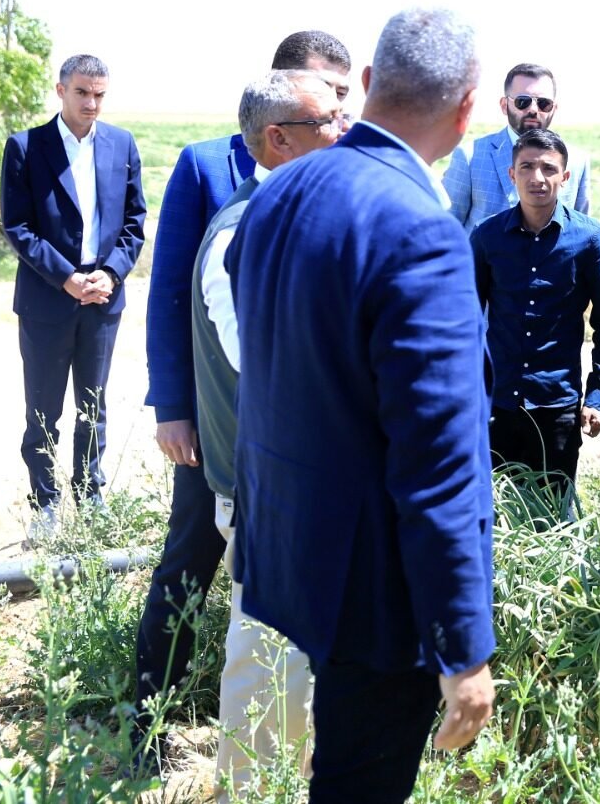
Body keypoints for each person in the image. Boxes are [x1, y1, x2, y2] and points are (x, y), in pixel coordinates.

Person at [228, 8, 495, 801]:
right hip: (377, 587)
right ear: (468, 110)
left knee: (336, 758)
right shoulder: (422, 231)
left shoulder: (282, 188)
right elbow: (439, 465)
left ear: (371, 83)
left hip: (292, 544)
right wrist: (464, 648)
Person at [132, 30, 351, 763]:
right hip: (230, 433)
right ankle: (151, 723)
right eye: (328, 108)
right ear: (279, 125)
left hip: (281, 456)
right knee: (196, 575)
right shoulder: (217, 184)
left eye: (344, 101)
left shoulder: (315, 192)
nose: (343, 122)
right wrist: (174, 407)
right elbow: (177, 298)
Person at [189, 70, 345, 797]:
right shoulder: (240, 235)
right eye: (328, 123)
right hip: (271, 495)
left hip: (308, 485)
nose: (343, 135)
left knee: (304, 671)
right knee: (268, 667)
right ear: (279, 139)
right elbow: (271, 366)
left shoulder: (292, 222)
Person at [0, 53, 146, 543]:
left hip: (103, 298)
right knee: (43, 410)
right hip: (47, 300)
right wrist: (65, 277)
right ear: (61, 90)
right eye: (82, 92)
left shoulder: (122, 144)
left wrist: (111, 273)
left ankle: (90, 498)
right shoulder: (26, 147)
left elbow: (134, 222)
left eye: (99, 94)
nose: (92, 103)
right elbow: (17, 226)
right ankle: (45, 505)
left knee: (93, 406)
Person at [471, 127, 600, 509]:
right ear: (512, 174)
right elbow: (464, 319)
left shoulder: (589, 238)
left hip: (557, 407)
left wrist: (597, 397)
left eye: (548, 168)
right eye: (526, 167)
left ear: (565, 177)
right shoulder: (488, 237)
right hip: (497, 406)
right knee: (496, 517)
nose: (537, 178)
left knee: (553, 518)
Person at [443, 63, 591, 230]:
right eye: (523, 102)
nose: (533, 110)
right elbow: (447, 227)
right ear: (504, 105)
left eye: (544, 103)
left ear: (554, 109)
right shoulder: (470, 156)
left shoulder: (577, 161)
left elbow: (582, 231)